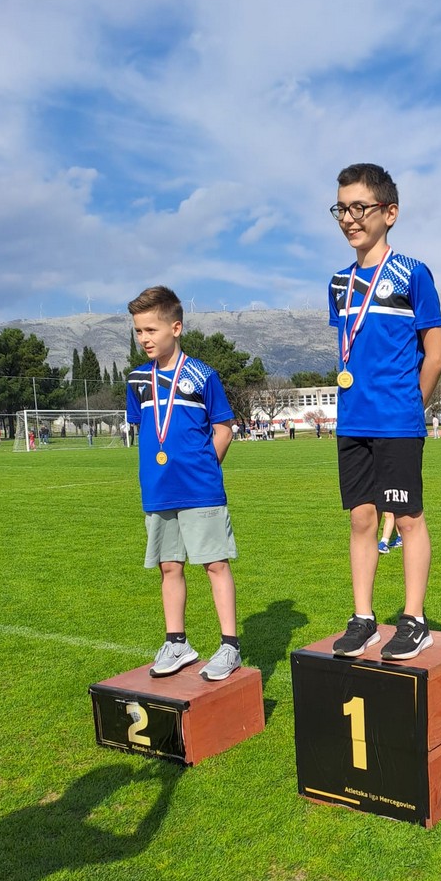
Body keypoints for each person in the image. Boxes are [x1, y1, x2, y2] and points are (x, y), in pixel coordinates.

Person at [328, 162, 441, 661]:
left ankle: (414, 620)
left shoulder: (412, 273)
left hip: (397, 420)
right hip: (352, 420)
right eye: (341, 209)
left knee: (408, 518)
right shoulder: (338, 283)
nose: (349, 218)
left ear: (389, 212)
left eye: (360, 207)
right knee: (361, 519)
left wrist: (409, 407)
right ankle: (363, 618)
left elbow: (436, 354)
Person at [126, 285, 242, 682]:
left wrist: (205, 468)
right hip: (159, 489)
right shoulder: (137, 380)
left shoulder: (202, 375)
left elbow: (224, 427)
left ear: (175, 328)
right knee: (169, 566)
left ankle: (230, 646)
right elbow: (146, 430)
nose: (144, 339)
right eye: (138, 331)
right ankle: (177, 643)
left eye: (151, 330)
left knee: (215, 564)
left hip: (200, 488)